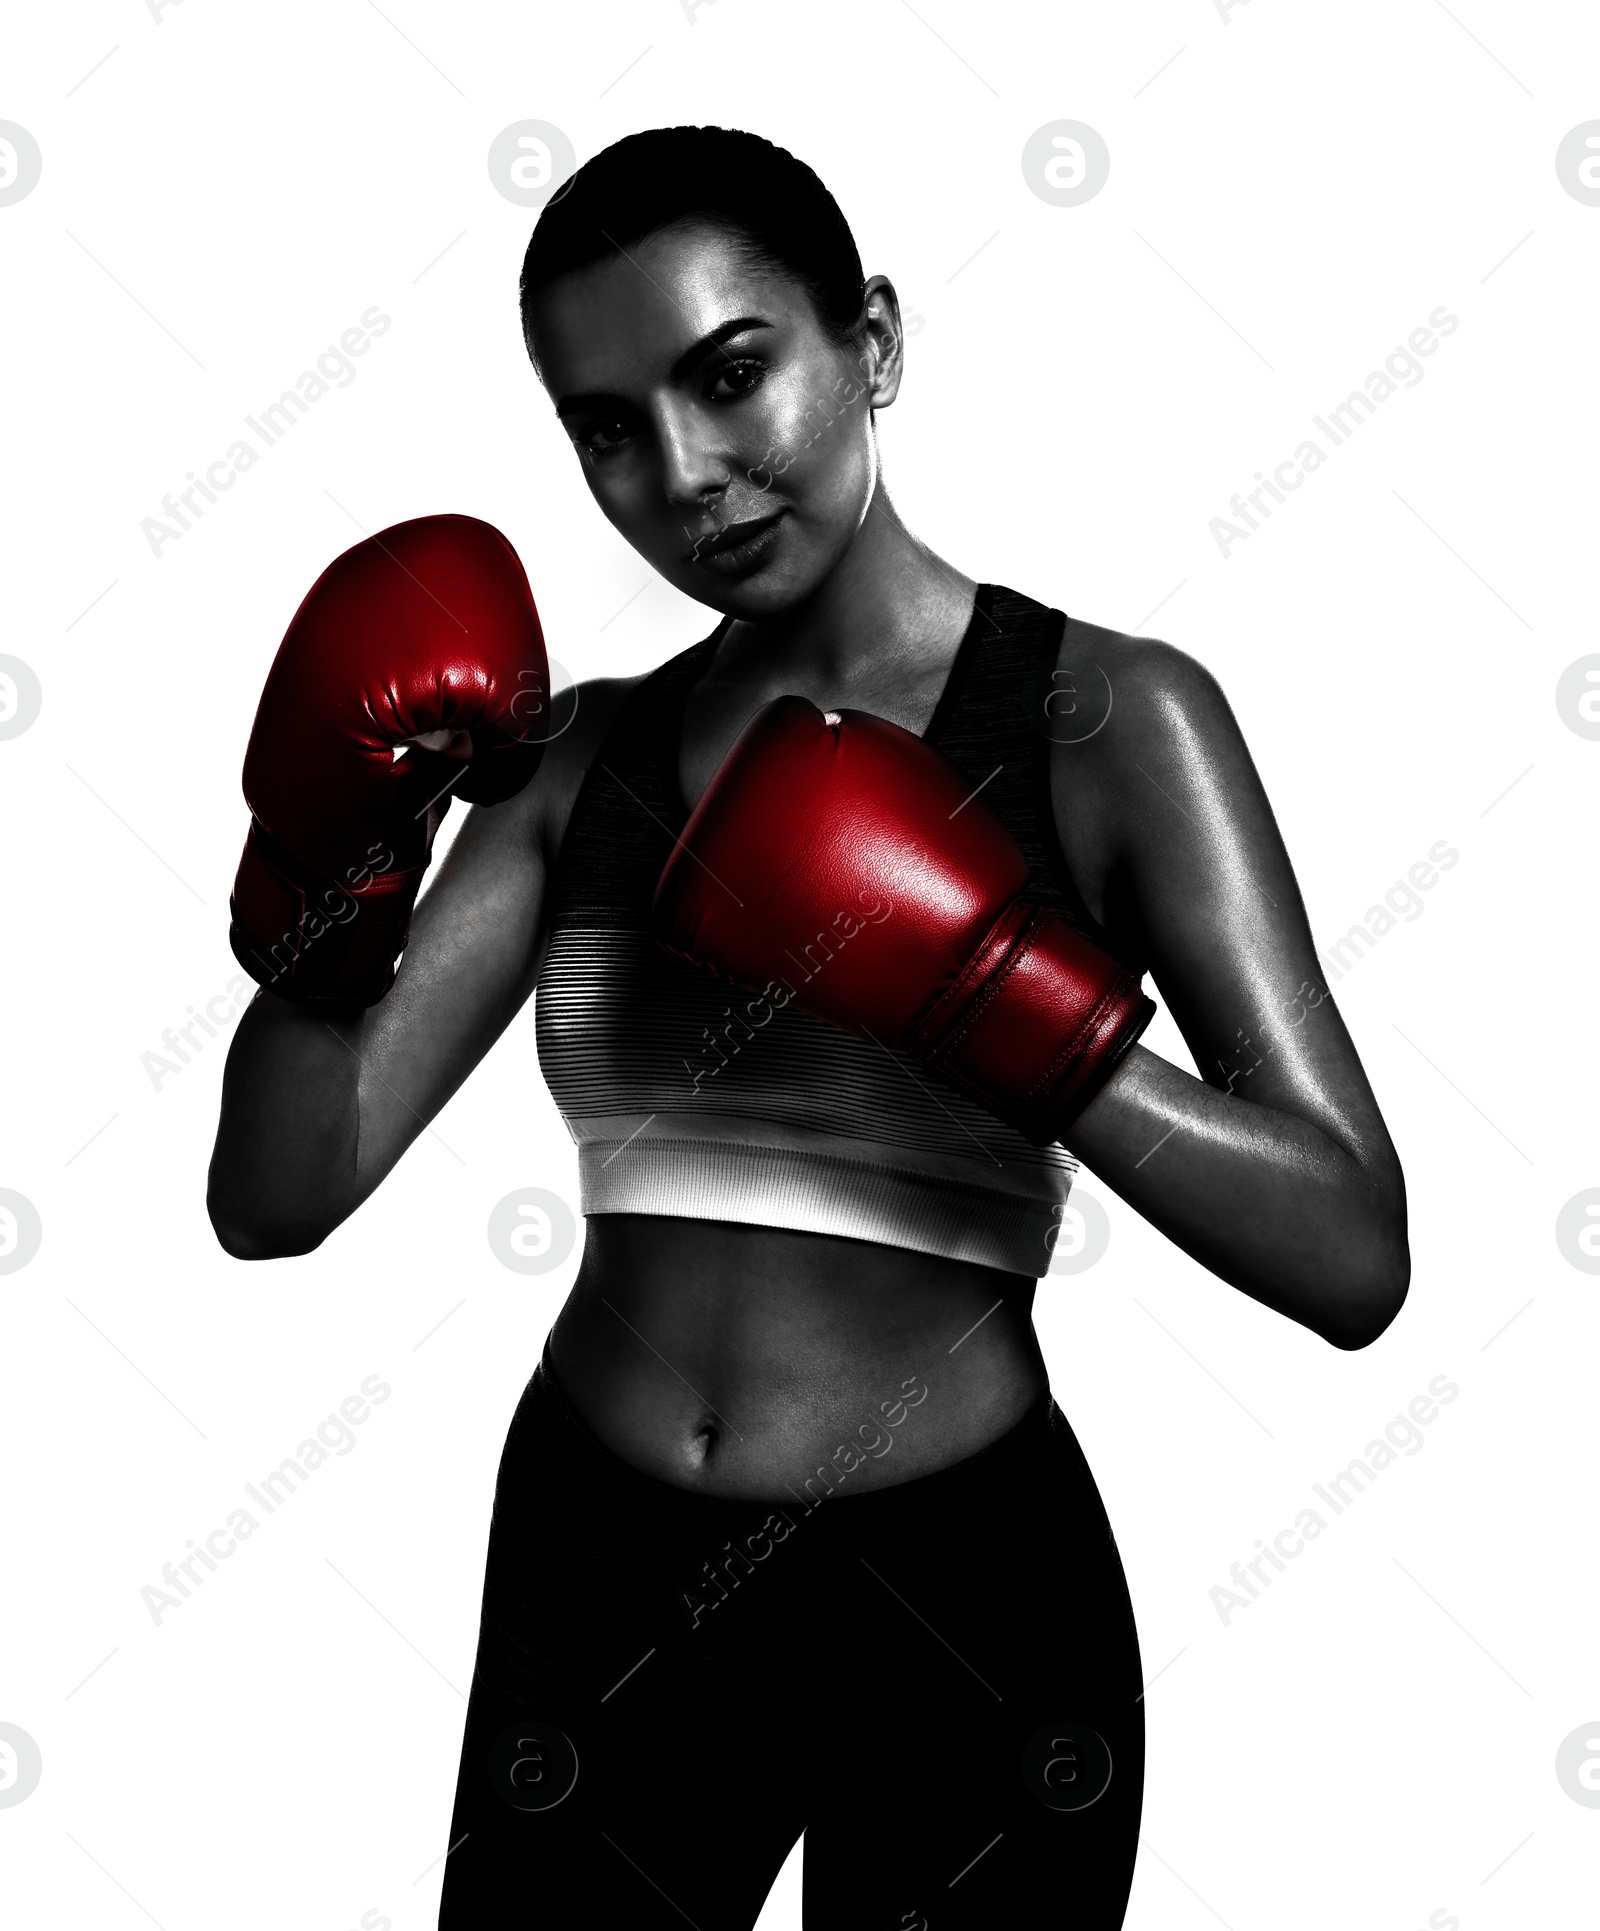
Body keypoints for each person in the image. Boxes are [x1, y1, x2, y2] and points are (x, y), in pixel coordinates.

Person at [208, 125, 1409, 1930]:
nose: (683, 474)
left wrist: (1002, 996)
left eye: (731, 373)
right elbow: (277, 1196)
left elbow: (1354, 1251)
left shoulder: (1106, 721)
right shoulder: (582, 757)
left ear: (876, 345)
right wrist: (328, 853)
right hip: (592, 1571)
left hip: (962, 1590)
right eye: (608, 425)